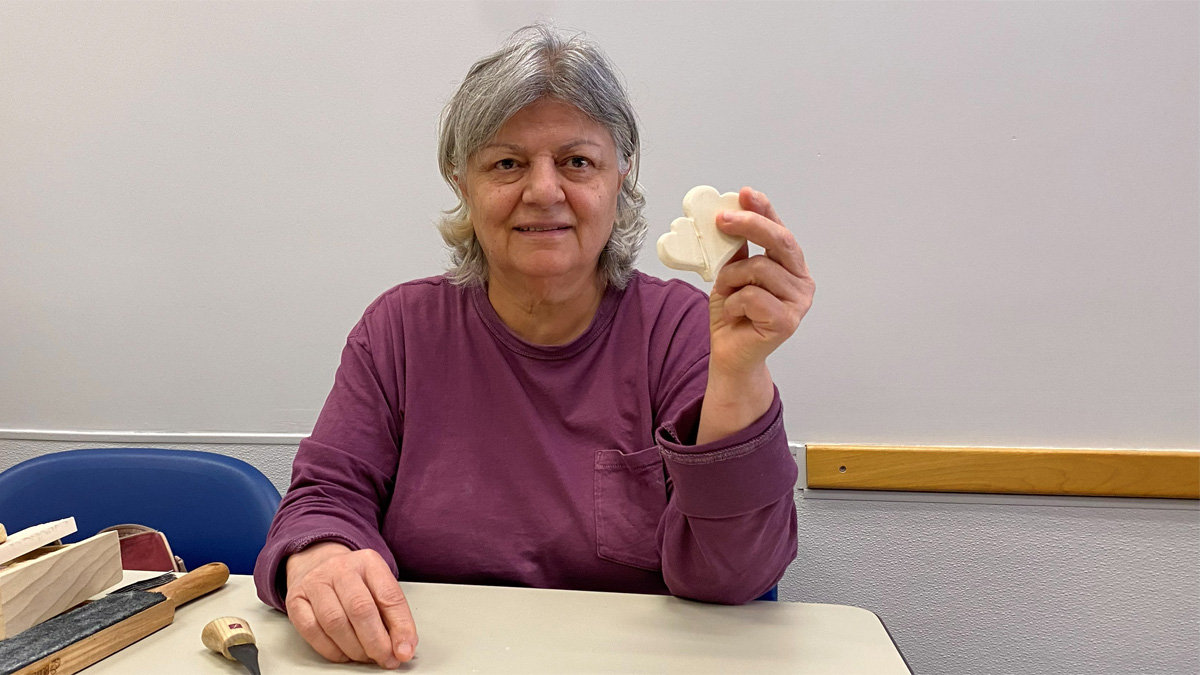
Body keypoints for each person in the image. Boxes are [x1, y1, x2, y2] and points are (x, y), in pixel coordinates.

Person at [254, 23, 815, 670]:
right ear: (462, 183)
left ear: (621, 176)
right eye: (507, 163)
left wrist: (741, 370)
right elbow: (325, 497)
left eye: (577, 162)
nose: (544, 191)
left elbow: (735, 574)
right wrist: (322, 555)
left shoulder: (682, 330)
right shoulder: (400, 331)